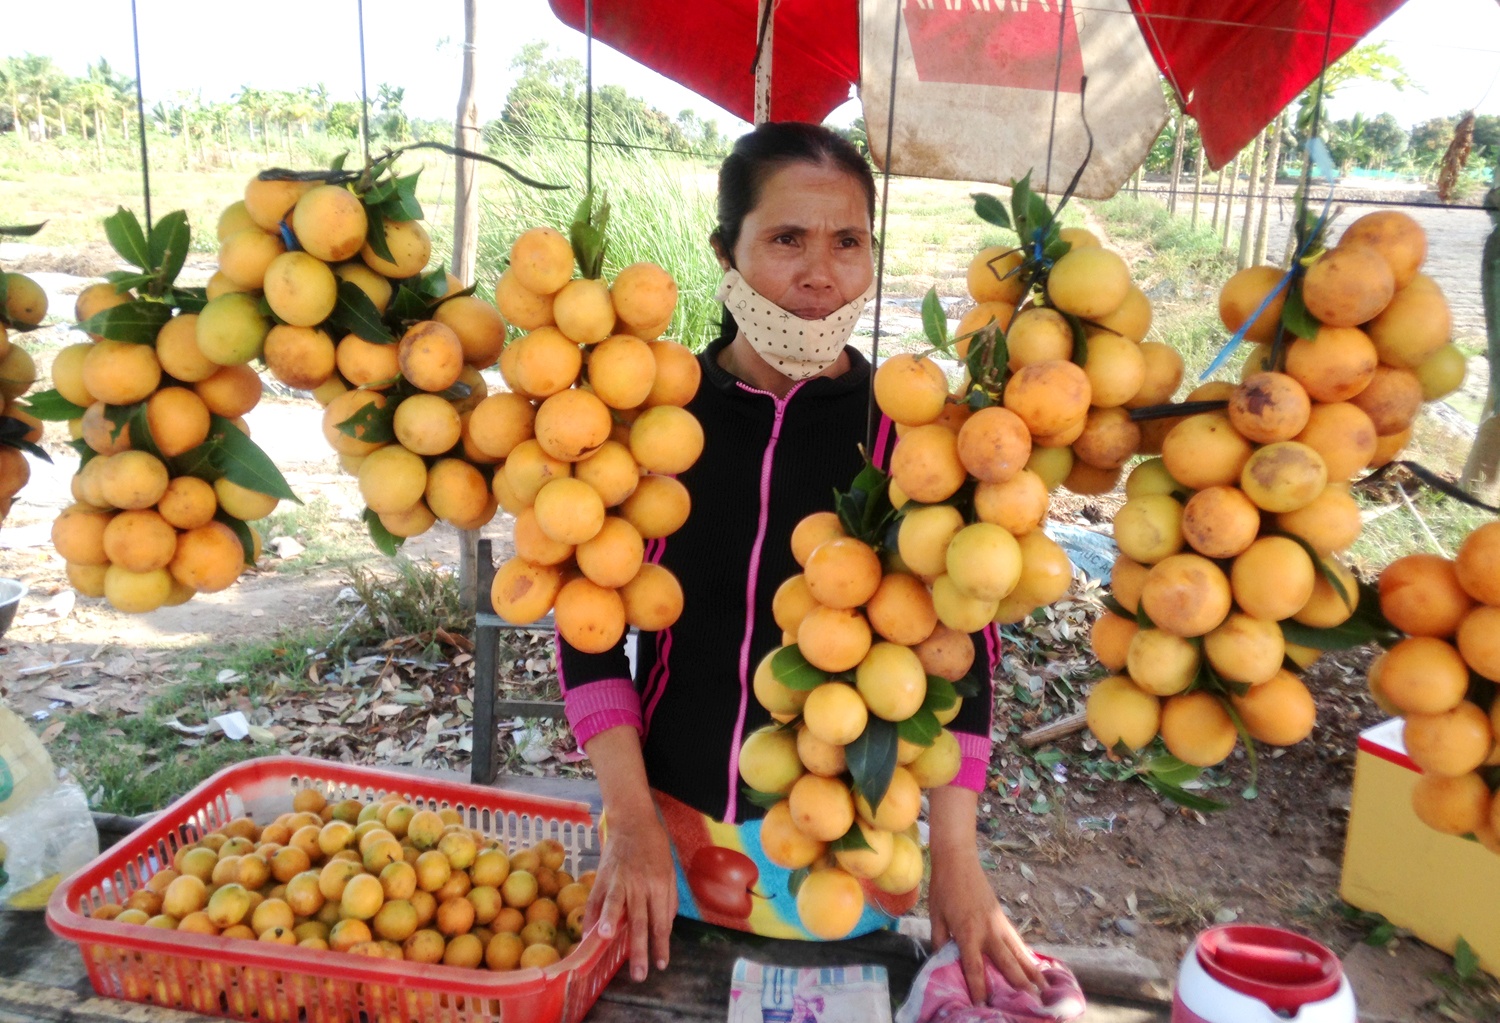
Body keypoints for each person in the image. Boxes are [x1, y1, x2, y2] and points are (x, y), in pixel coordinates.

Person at [556, 121, 1044, 1005]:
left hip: (847, 848)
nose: (820, 275)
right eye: (787, 239)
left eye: (847, 242)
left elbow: (961, 658)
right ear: (726, 252)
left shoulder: (915, 438)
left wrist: (957, 859)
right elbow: (587, 628)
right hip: (668, 845)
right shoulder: (647, 424)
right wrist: (626, 817)